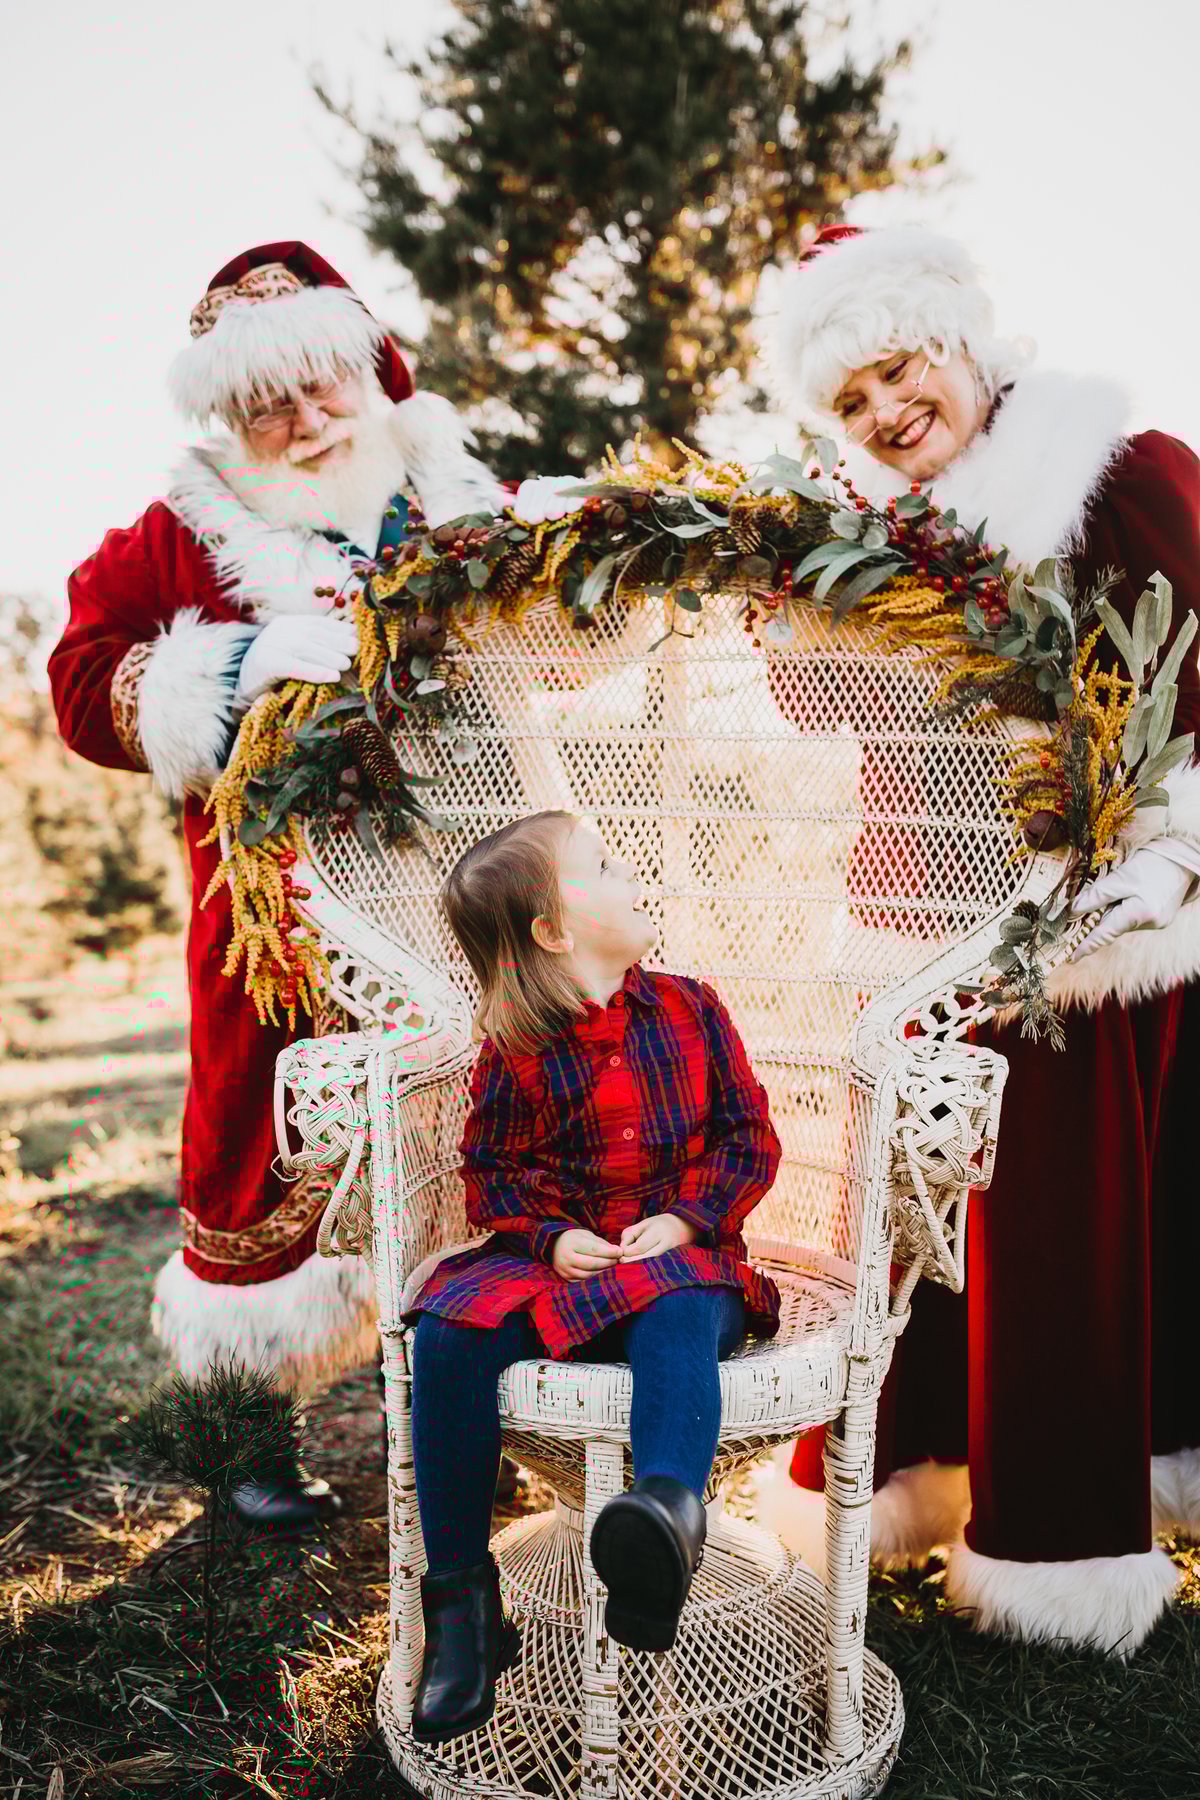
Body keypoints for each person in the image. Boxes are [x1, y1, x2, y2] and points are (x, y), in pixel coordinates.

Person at [758, 223, 1200, 1655]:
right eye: (853, 400)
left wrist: (1173, 854)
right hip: (913, 930)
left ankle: (1061, 1544)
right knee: (913, 1230)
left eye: (897, 370)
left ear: (958, 338)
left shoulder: (1123, 474)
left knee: (1064, 1228)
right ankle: (914, 1484)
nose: (889, 412)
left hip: (1080, 928)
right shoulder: (880, 536)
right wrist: (804, 602)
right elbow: (824, 714)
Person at [49, 242, 506, 1529]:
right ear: (229, 419)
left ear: (370, 376)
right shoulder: (174, 533)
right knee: (254, 1134)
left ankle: (487, 1417)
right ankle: (249, 1437)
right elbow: (82, 681)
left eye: (321, 392)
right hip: (271, 913)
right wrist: (237, 661)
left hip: (451, 894)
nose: (302, 426)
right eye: (266, 407)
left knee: (476, 1141)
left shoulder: (469, 501)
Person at [403, 810, 782, 1741]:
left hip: (676, 1262)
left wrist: (689, 1217)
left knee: (686, 1308)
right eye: (603, 865)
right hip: (570, 1270)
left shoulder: (691, 1008)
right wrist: (548, 1239)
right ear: (554, 932)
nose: (628, 870)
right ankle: (463, 1611)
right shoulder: (517, 1046)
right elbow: (490, 1171)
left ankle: (664, 1518)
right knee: (446, 1329)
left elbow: (748, 1138)